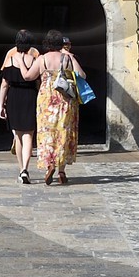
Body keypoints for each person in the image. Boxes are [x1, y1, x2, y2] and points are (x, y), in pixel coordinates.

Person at [35, 27, 80, 186]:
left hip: (46, 100)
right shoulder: (66, 58)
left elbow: (29, 76)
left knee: (47, 133)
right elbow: (82, 75)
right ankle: (61, 170)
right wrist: (71, 58)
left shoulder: (42, 59)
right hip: (64, 100)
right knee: (63, 133)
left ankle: (50, 165)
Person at [0, 32, 42, 181]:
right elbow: (38, 82)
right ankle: (25, 169)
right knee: (29, 135)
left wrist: (1, 105)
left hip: (14, 98)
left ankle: (20, 168)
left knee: (18, 136)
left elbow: (4, 85)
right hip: (30, 96)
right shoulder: (34, 60)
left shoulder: (10, 60)